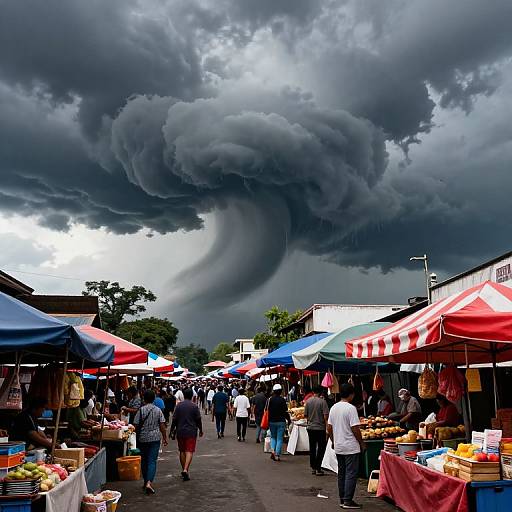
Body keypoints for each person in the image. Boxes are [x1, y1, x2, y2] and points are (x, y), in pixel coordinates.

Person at [327, 383, 365, 510]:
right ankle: (347, 500)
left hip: (339, 446)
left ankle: (343, 499)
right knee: (351, 473)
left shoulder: (333, 408)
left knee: (342, 473)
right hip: (350, 446)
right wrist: (361, 443)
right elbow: (355, 428)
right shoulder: (350, 408)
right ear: (351, 394)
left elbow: (329, 428)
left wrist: (333, 440)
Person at [133, 390, 168, 495]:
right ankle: (149, 483)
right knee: (152, 461)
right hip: (155, 438)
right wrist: (165, 437)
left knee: (144, 461)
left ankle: (145, 481)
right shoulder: (158, 410)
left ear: (144, 399)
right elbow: (162, 425)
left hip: (143, 438)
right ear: (154, 399)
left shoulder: (141, 410)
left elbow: (135, 424)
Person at [170, 388, 203, 481]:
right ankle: (185, 469)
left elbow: (174, 419)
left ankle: (184, 469)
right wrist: (200, 429)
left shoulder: (179, 406)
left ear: (183, 395)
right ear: (192, 395)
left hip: (180, 431)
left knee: (182, 451)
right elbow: (198, 419)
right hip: (191, 431)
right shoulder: (194, 406)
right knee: (189, 450)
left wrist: (172, 430)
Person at [304, 386, 329, 476]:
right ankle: (318, 467)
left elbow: (305, 415)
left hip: (310, 428)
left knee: (312, 447)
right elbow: (326, 416)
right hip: (320, 428)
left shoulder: (308, 401)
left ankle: (313, 467)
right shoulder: (323, 402)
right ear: (321, 392)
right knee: (321, 448)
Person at [268, 384, 290, 462]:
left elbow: (268, 411)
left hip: (272, 421)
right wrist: (289, 419)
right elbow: (286, 411)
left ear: (273, 391)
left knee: (273, 437)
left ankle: (273, 450)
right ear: (281, 391)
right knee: (280, 438)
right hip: (281, 421)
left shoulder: (270, 399)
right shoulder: (282, 400)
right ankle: (277, 455)